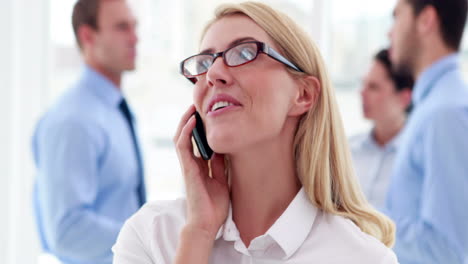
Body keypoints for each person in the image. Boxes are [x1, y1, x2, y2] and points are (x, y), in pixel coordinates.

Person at [113, 2, 397, 264]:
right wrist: (198, 233)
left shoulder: (363, 258)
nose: (213, 73)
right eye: (204, 62)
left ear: (303, 94)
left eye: (245, 52)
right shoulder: (152, 236)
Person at [32, 0, 146, 263]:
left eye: (134, 26)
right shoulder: (73, 120)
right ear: (87, 35)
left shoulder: (114, 111)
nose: (135, 38)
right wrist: (147, 238)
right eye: (121, 28)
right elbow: (67, 231)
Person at [386, 0, 468, 263]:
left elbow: (451, 251)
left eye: (397, 16)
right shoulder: (434, 107)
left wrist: (360, 219)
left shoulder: (445, 113)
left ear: (426, 20)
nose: (390, 32)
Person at [350, 49, 413, 209]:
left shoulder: (417, 157)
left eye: (373, 87)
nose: (362, 92)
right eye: (363, 83)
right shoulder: (347, 150)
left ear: (405, 97)